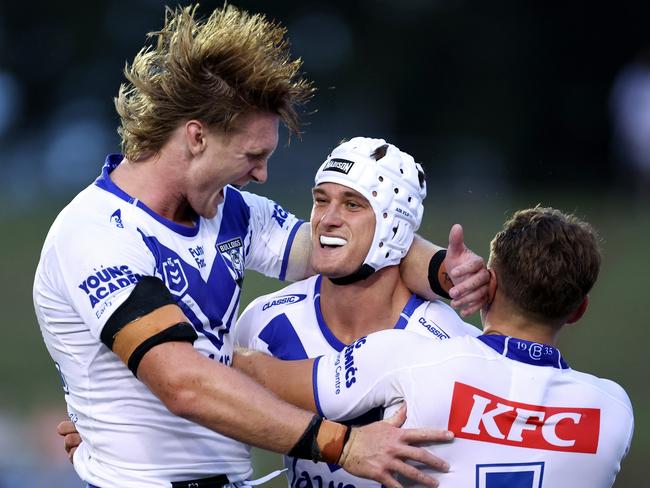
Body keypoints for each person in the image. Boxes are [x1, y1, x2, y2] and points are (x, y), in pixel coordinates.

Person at [36, 4, 490, 488]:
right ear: (196, 137)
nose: (262, 175)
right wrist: (344, 444)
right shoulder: (97, 233)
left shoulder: (232, 212)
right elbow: (183, 383)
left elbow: (341, 246)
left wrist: (446, 270)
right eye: (253, 155)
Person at [235, 207, 634, 487]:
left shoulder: (409, 358)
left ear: (487, 284)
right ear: (579, 310)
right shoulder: (613, 412)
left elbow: (259, 374)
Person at [234, 136, 480, 488]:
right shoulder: (264, 321)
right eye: (321, 201)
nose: (327, 219)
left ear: (393, 226)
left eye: (352, 205)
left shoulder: (448, 344)